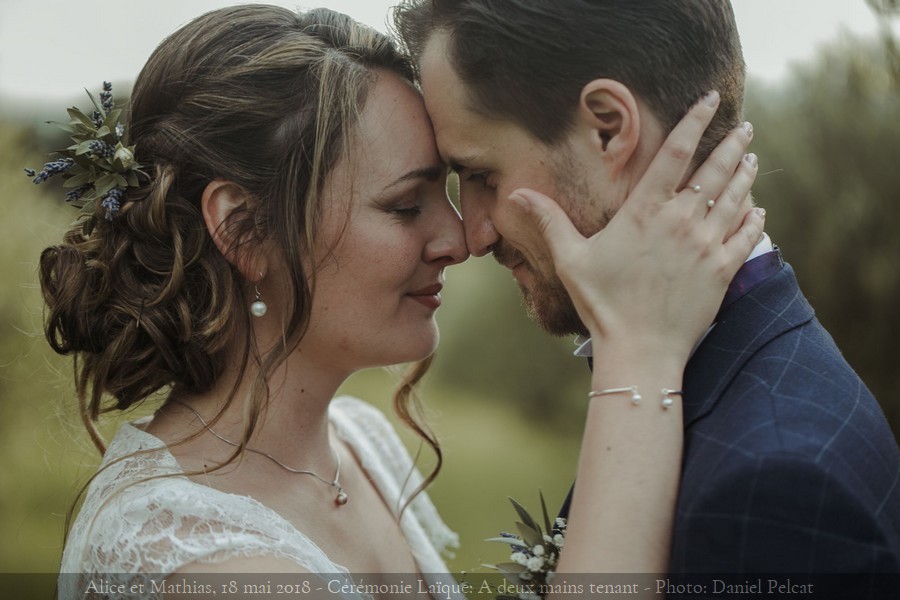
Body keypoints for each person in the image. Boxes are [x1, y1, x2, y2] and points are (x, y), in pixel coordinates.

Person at [35, 4, 762, 599]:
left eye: (453, 185)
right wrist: (638, 351)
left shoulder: (362, 449)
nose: (459, 237)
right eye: (406, 205)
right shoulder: (195, 560)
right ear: (243, 229)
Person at [393, 0, 900, 586]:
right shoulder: (715, 373)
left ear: (608, 128)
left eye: (482, 175)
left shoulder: (774, 490)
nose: (473, 235)